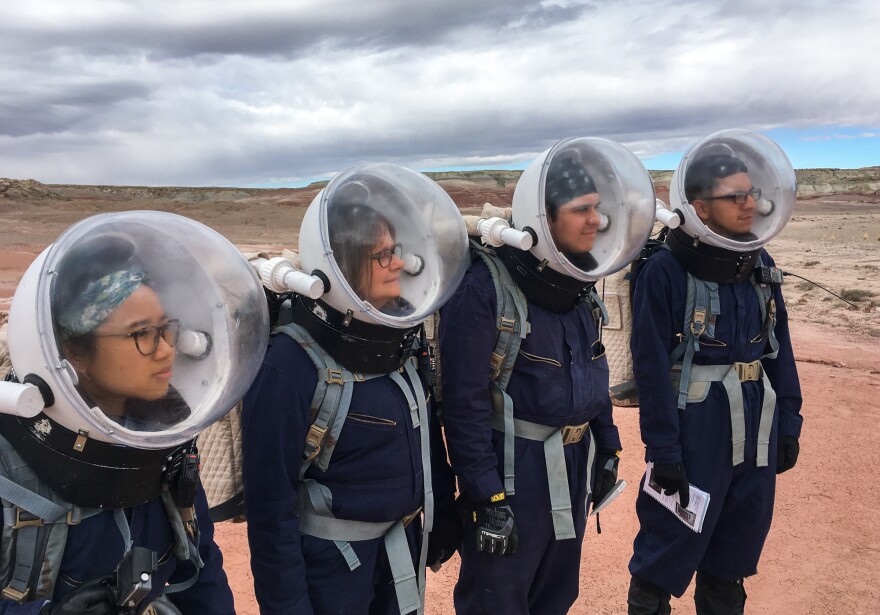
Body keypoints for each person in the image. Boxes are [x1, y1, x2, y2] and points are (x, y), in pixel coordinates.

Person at [0, 211, 268, 614]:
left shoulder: (167, 441)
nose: (167, 349)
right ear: (73, 352)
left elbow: (200, 567)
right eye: (141, 333)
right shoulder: (11, 466)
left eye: (167, 328)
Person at [439, 137, 656, 614]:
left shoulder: (577, 284)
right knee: (497, 600)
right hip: (515, 473)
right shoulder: (483, 289)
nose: (596, 221)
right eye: (581, 210)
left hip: (572, 463)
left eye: (598, 208)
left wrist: (607, 446)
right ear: (544, 218)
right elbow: (463, 404)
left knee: (556, 594)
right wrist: (486, 496)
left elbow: (593, 369)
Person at [242, 163, 469, 614]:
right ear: (341, 264)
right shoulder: (289, 363)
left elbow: (426, 431)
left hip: (399, 553)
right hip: (331, 571)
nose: (400, 263)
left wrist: (442, 510)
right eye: (382, 255)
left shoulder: (401, 341)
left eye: (397, 249)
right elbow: (271, 510)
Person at [626, 132, 803, 614]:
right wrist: (664, 452)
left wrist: (789, 422)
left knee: (733, 558)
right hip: (695, 430)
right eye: (736, 196)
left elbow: (778, 350)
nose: (751, 205)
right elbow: (652, 369)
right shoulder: (665, 272)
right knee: (664, 555)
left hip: (757, 430)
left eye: (753, 194)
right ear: (700, 208)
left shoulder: (758, 262)